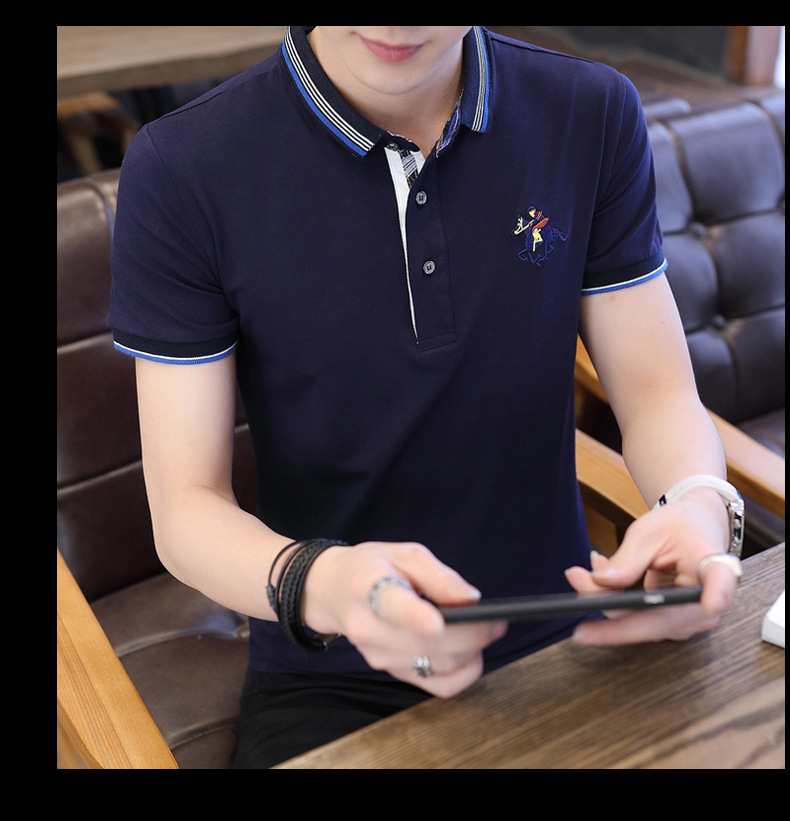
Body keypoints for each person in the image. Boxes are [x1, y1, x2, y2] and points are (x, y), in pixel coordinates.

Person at [109, 27, 744, 768]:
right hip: (334, 667)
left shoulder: (589, 109)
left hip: (573, 624)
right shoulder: (183, 165)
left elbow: (658, 393)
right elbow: (186, 510)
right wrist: (331, 586)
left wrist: (700, 503)